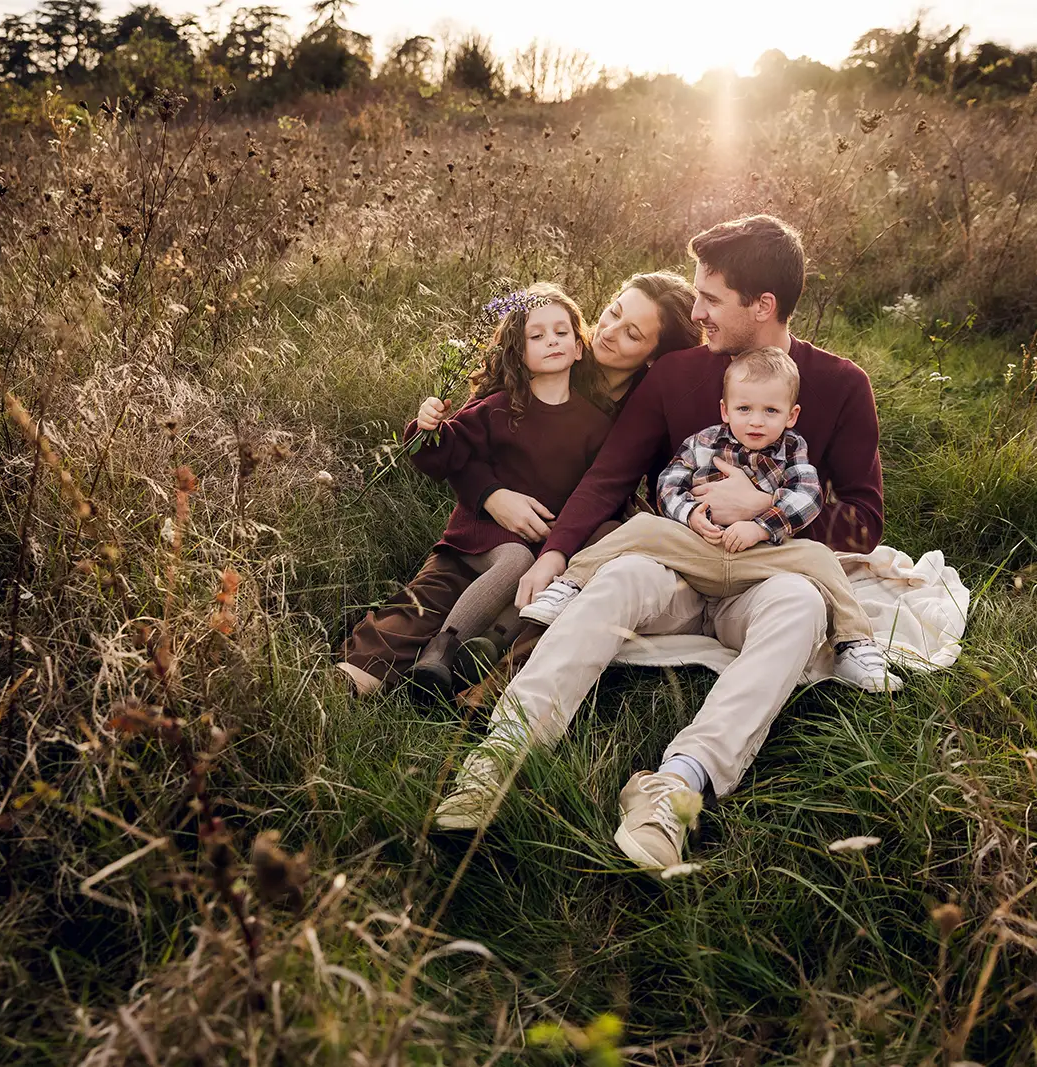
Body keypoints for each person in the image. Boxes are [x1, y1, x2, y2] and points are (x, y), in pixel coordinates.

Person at [432, 215, 888, 874]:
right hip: (676, 566)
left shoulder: (842, 385)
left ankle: (675, 788)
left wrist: (763, 510)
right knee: (619, 575)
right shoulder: (674, 375)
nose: (695, 311)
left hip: (767, 578)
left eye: (711, 298)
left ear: (763, 305)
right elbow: (610, 476)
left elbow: (865, 522)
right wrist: (559, 552)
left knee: (802, 605)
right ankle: (498, 757)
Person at [336, 273, 701, 695]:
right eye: (613, 312)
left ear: (655, 356)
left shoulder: (648, 406)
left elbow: (649, 485)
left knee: (549, 607)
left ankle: (484, 688)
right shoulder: (553, 350)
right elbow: (468, 439)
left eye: (632, 334)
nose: (608, 332)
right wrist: (491, 495)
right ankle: (355, 678)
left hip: (572, 545)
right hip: (492, 531)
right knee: (436, 594)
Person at [518, 345, 902, 694]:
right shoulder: (703, 443)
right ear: (725, 410)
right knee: (640, 528)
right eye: (744, 409)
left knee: (820, 558)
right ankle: (571, 583)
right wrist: (691, 515)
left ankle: (853, 643)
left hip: (761, 555)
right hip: (696, 546)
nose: (756, 421)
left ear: (791, 415)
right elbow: (669, 484)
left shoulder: (792, 450)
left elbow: (808, 496)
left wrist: (761, 524)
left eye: (770, 411)